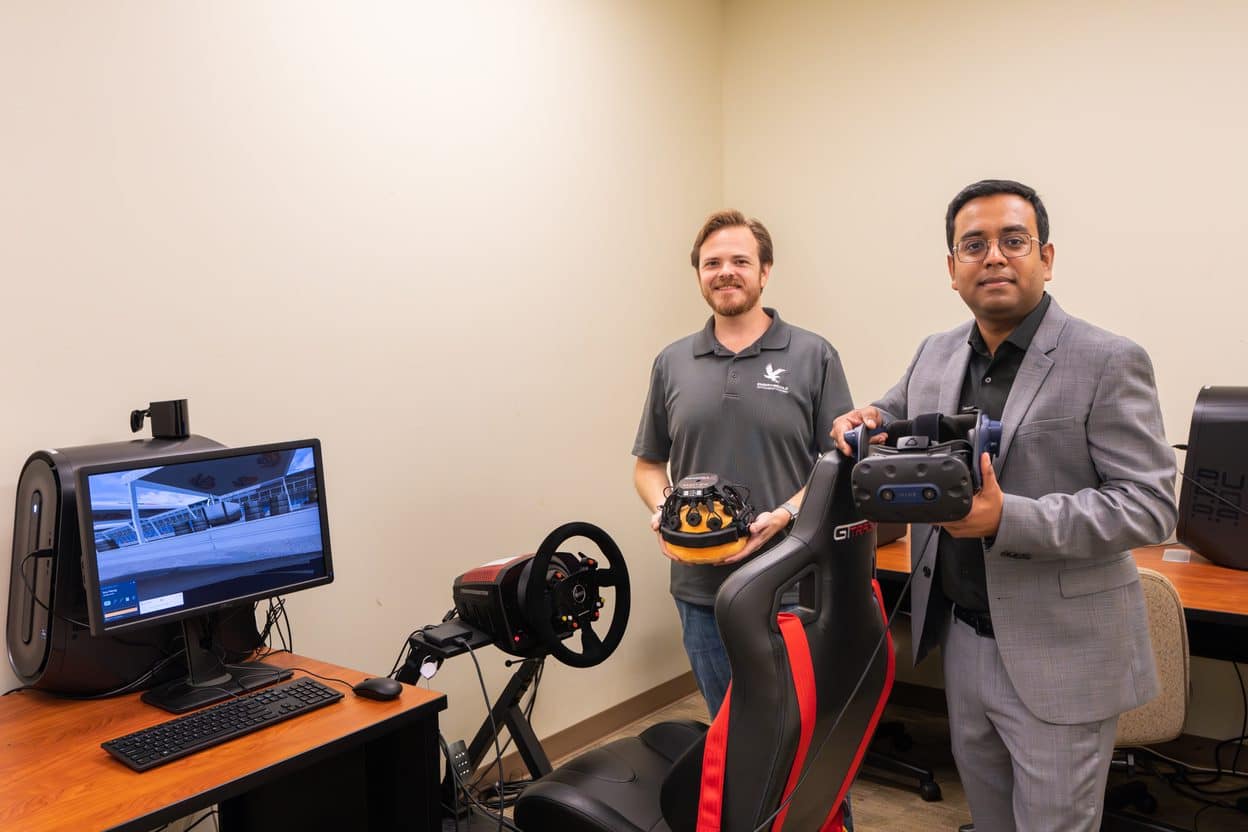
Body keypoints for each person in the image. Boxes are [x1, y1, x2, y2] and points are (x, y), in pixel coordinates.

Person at [831, 180, 1177, 832]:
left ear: (1045, 257)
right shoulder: (936, 352)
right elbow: (895, 411)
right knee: (989, 819)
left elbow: (1150, 505)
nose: (993, 256)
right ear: (952, 269)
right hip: (962, 639)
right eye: (974, 245)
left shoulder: (1106, 360)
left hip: (1060, 653)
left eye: (1012, 241)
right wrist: (869, 417)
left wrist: (1007, 518)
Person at [633, 210, 855, 822]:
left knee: (808, 745)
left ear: (765, 271)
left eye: (739, 261)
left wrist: (784, 515)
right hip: (702, 592)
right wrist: (664, 510)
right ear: (699, 276)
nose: (725, 273)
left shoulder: (813, 355)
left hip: (795, 590)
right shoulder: (672, 363)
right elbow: (648, 464)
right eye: (712, 263)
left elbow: (836, 462)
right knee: (734, 741)